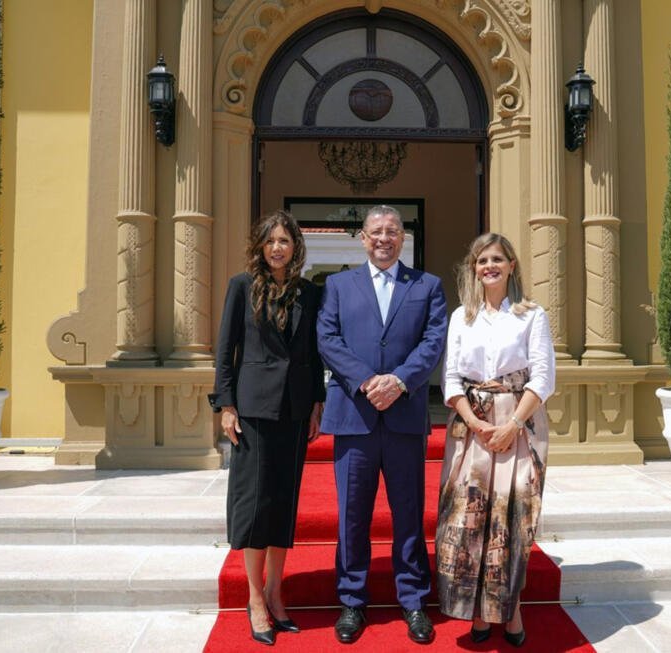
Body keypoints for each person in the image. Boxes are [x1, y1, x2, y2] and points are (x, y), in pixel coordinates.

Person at [317, 205, 447, 645]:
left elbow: (433, 340)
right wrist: (368, 381)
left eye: (392, 231)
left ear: (403, 237)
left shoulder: (427, 286)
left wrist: (400, 381)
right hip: (354, 416)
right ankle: (352, 599)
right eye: (376, 231)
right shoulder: (337, 285)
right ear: (363, 238)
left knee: (408, 514)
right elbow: (327, 339)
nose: (384, 238)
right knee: (353, 516)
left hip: (404, 417)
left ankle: (413, 600)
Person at [209, 210, 325, 646]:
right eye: (271, 240)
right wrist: (226, 405)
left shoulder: (308, 294)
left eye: (286, 241)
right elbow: (226, 351)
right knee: (255, 506)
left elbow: (313, 355)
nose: (278, 247)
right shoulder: (242, 287)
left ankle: (277, 592)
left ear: (296, 247)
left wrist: (317, 403)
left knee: (282, 505)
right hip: (253, 410)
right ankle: (254, 597)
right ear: (260, 246)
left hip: (294, 412)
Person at [435, 233, 555, 648]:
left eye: (497, 259)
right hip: (470, 429)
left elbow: (542, 377)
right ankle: (480, 612)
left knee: (512, 521)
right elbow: (450, 378)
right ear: (474, 268)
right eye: (482, 260)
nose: (489, 266)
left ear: (511, 266)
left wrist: (511, 426)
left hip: (519, 425)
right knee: (469, 521)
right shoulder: (460, 317)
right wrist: (476, 424)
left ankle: (512, 608)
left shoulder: (531, 315)